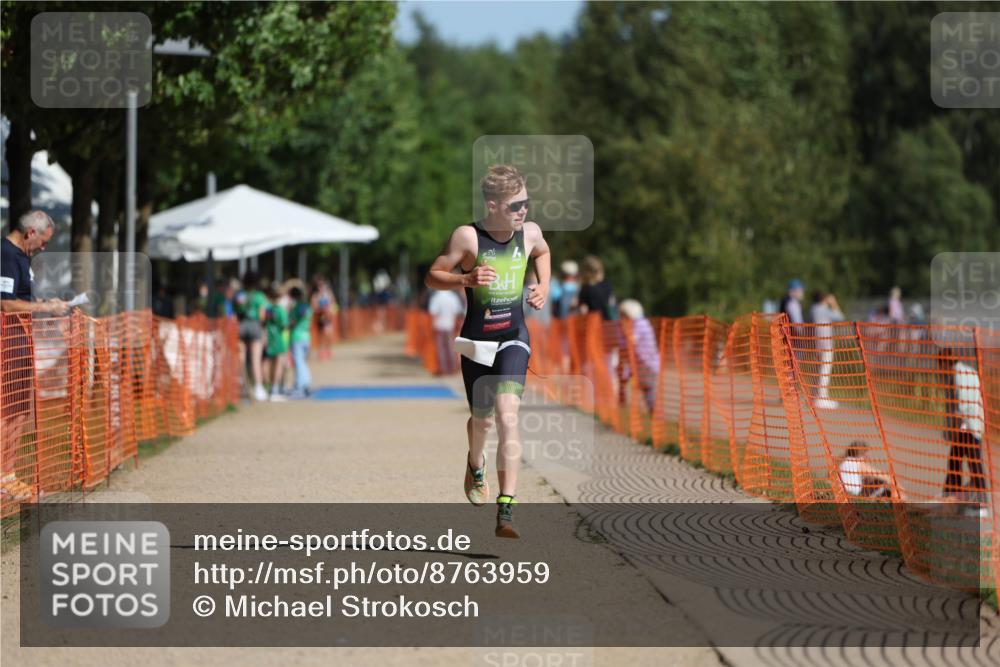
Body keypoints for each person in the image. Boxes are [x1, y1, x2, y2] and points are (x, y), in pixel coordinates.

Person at [425, 164, 551, 538]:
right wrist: (464, 278)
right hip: (477, 340)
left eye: (526, 203)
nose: (523, 210)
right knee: (481, 421)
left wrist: (543, 284)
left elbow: (543, 252)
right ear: (493, 205)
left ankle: (506, 508)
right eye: (515, 205)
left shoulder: (529, 234)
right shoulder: (468, 237)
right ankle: (474, 463)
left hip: (514, 335)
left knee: (507, 414)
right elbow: (432, 275)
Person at [1, 210, 68, 501]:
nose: (43, 248)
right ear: (30, 232)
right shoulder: (6, 254)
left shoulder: (21, 257)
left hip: (21, 339)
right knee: (8, 409)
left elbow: (21, 298)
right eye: (42, 241)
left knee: (20, 409)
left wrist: (44, 303)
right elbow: (5, 305)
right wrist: (44, 310)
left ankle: (8, 475)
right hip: (7, 340)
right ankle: (4, 476)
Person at [939, 350, 986, 503]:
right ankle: (953, 496)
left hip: (967, 427)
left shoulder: (958, 376)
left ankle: (976, 500)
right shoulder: (969, 371)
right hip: (975, 423)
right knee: (959, 462)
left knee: (970, 464)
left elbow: (960, 408)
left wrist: (951, 429)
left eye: (940, 364)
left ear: (945, 362)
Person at [618, 299, 660, 412]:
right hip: (635, 364)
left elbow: (632, 341)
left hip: (647, 364)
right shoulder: (626, 325)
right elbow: (623, 347)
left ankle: (653, 412)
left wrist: (625, 329)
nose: (620, 317)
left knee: (648, 389)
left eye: (622, 314)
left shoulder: (640, 324)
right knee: (626, 382)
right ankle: (625, 408)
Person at [235, 271, 269, 401]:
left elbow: (236, 310)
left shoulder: (240, 295)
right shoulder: (259, 296)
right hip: (255, 325)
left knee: (241, 359)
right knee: (256, 359)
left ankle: (243, 387)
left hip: (241, 325)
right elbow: (262, 315)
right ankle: (258, 387)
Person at [809, 290, 845, 410]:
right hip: (826, 343)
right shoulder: (823, 309)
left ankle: (815, 396)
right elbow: (840, 317)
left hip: (816, 343)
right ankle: (821, 398)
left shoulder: (813, 309)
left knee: (817, 370)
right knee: (824, 371)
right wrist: (833, 303)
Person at [263, 284, 290, 402]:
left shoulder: (268, 309)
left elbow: (264, 322)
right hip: (279, 339)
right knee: (279, 364)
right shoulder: (280, 310)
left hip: (269, 338)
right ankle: (275, 388)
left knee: (268, 363)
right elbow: (285, 325)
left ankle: (267, 386)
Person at [428, 288, 464, 375]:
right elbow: (457, 312)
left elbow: (433, 312)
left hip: (439, 326)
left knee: (441, 349)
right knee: (451, 348)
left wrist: (432, 326)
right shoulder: (453, 297)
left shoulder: (436, 297)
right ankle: (452, 368)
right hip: (450, 325)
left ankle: (443, 368)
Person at [288, 286, 313, 398]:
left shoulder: (296, 307)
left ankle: (300, 386)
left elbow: (291, 321)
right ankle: (306, 383)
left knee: (298, 362)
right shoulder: (307, 307)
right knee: (302, 361)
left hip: (297, 337)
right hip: (306, 337)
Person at [576, 256, 616, 320]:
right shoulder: (607, 285)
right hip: (608, 323)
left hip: (592, 324)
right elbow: (612, 303)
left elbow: (583, 310)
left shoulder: (586, 288)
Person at [311, 277, 337, 361]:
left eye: (322, 285)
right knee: (320, 335)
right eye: (319, 286)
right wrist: (319, 309)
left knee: (328, 333)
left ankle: (328, 350)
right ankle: (321, 352)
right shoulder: (315, 296)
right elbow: (313, 306)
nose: (321, 287)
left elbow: (333, 303)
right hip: (319, 318)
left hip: (328, 317)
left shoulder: (328, 294)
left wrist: (330, 309)